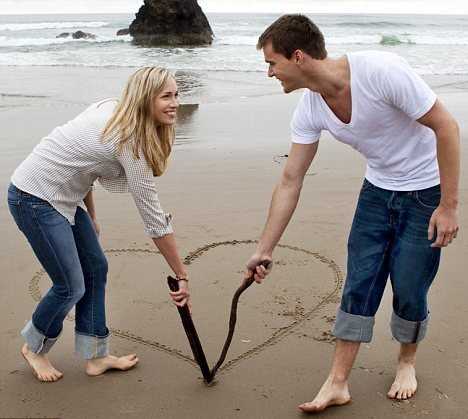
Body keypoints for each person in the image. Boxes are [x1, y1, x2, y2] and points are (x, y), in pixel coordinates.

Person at [245, 14, 460, 413]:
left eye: (272, 63)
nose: (270, 72)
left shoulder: (380, 72)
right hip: (376, 193)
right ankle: (337, 382)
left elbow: (446, 126)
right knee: (359, 282)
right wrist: (265, 248)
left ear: (298, 57)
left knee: (410, 286)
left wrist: (448, 206)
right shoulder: (310, 108)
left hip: (425, 192)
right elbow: (291, 179)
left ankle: (406, 362)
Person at [7, 67, 190, 382]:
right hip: (33, 197)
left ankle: (96, 356)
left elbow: (83, 164)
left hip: (66, 195)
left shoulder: (114, 107)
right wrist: (181, 274)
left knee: (95, 268)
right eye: (165, 96)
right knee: (70, 285)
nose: (174, 103)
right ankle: (34, 348)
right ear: (144, 98)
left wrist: (90, 215)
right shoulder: (129, 142)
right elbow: (155, 220)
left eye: (176, 94)